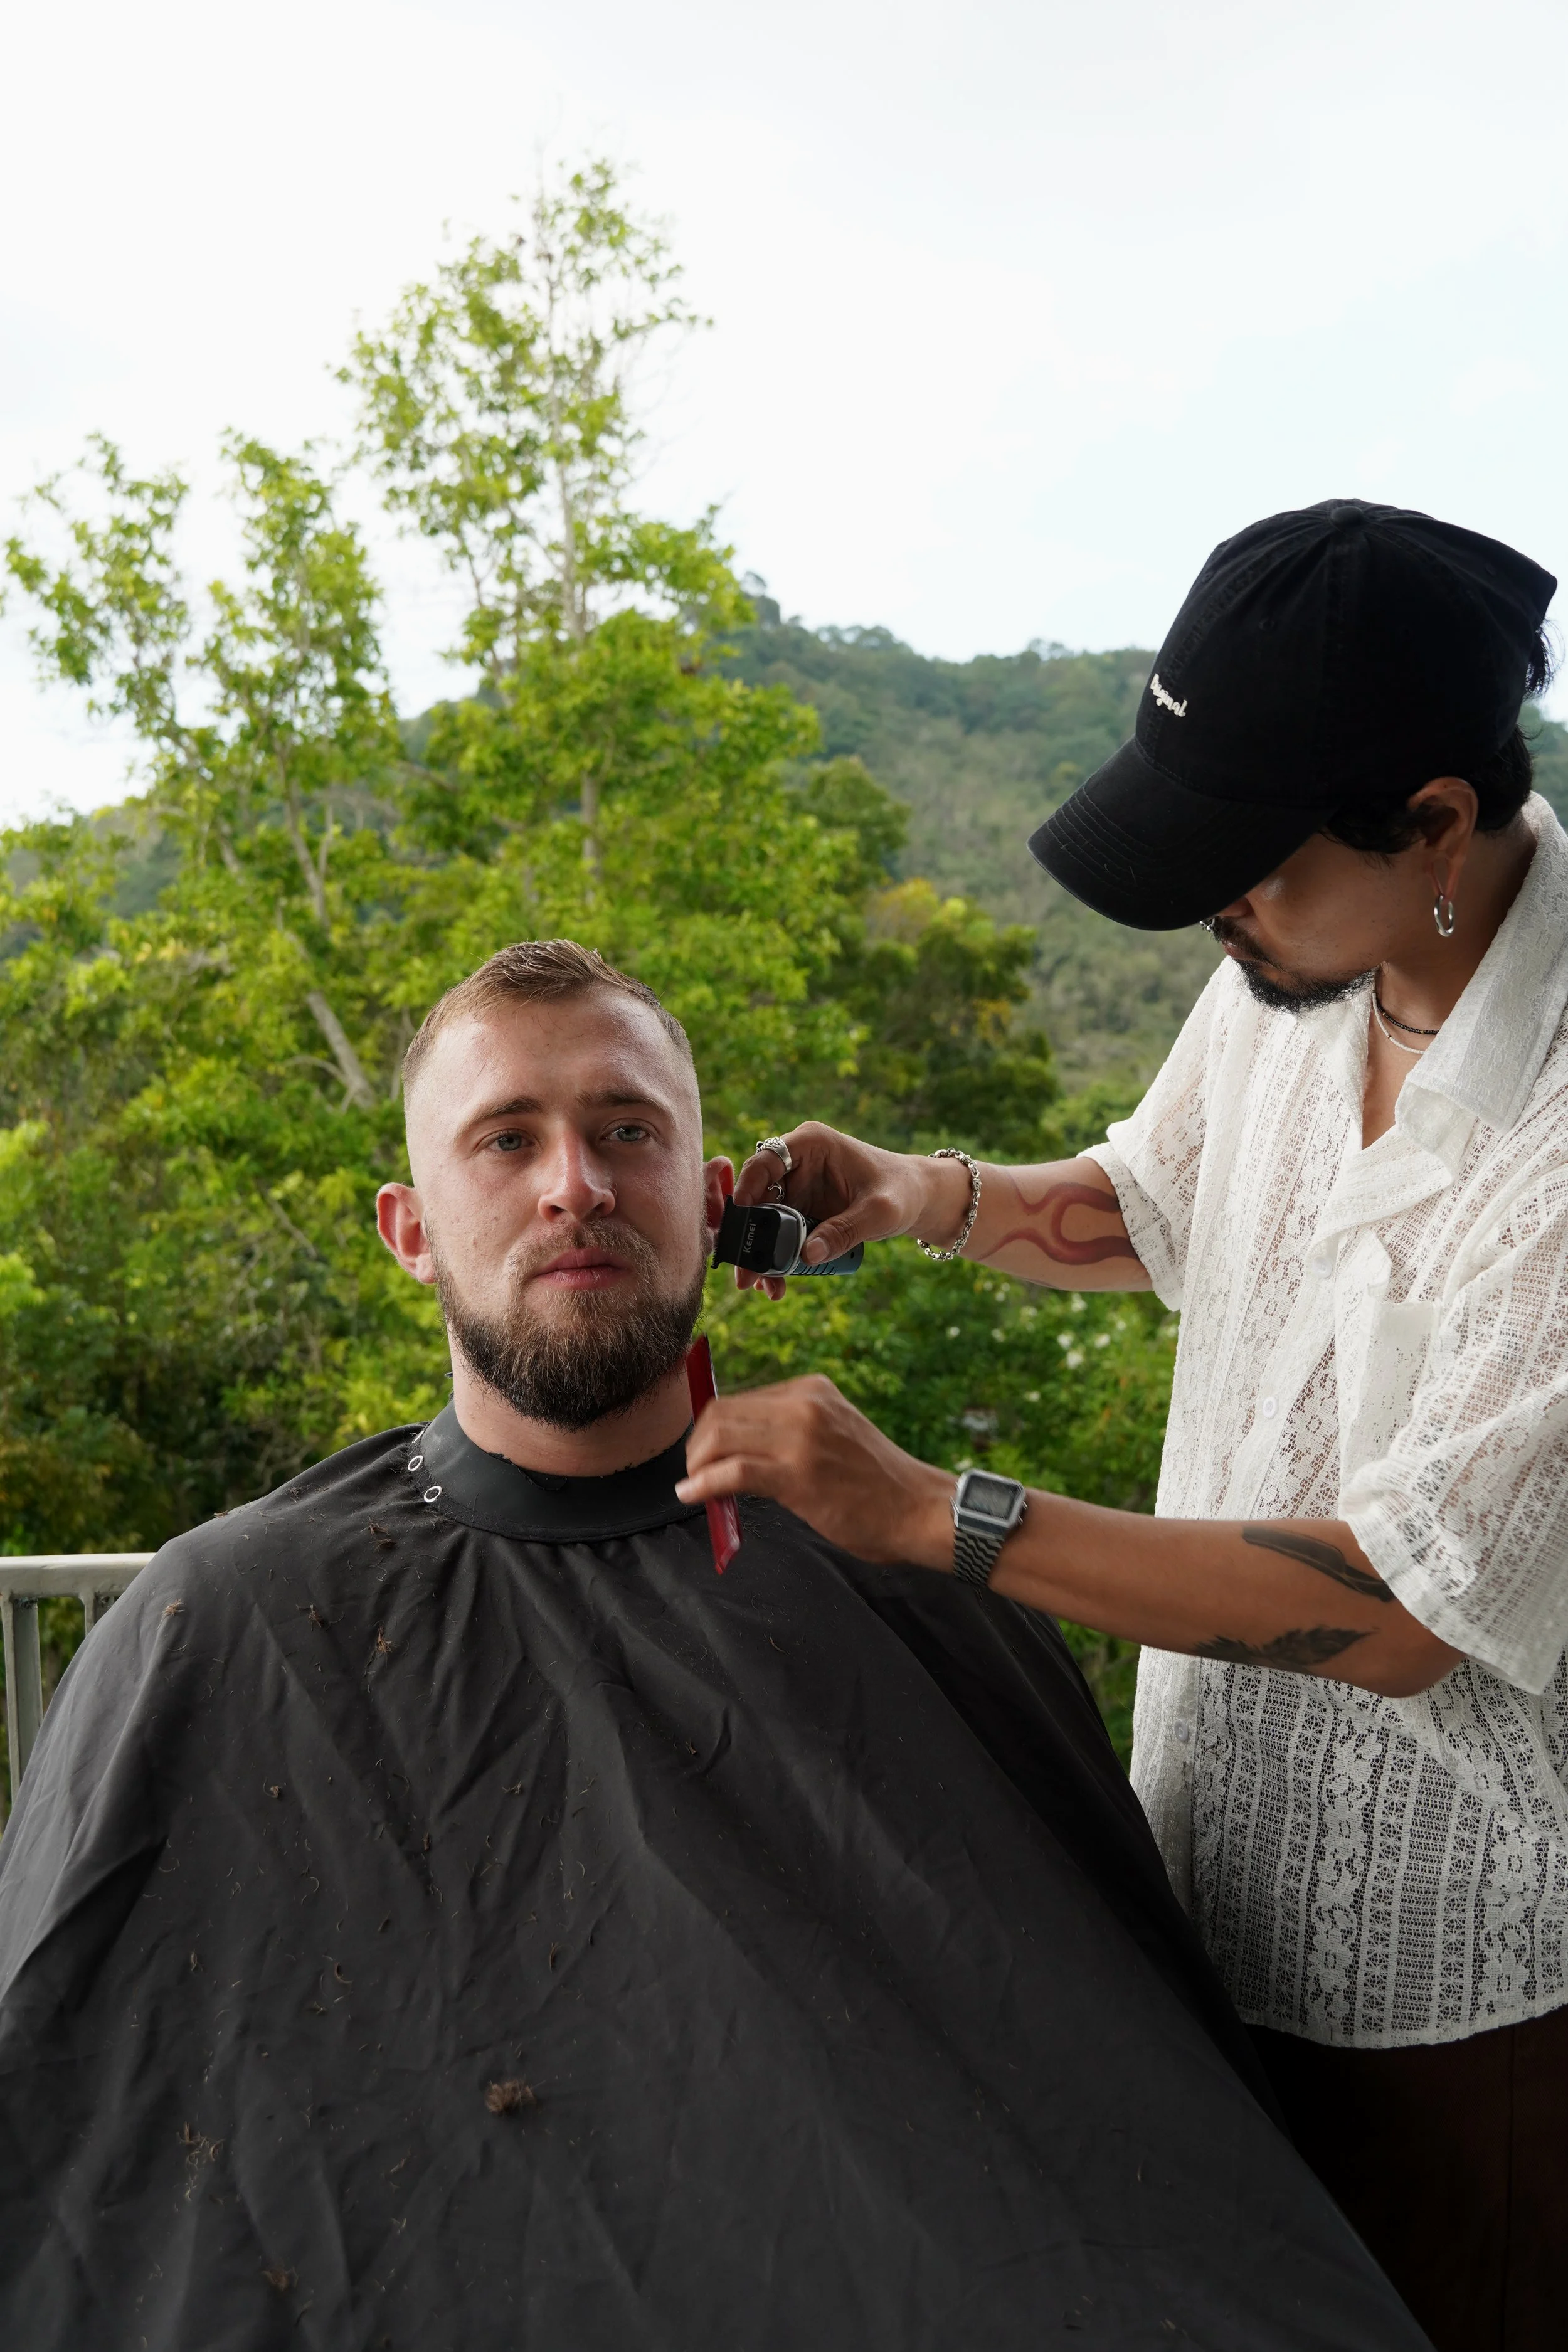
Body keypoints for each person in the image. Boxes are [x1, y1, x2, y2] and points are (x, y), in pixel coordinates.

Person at [0, 940, 1424, 2351]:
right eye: (507, 1140)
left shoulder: (911, 1580)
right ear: (410, 1229)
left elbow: (1117, 2144)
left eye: (628, 1131)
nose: (578, 1183)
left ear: (712, 1198)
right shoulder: (234, 1617)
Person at [678, 500, 1568, 2352]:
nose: (1220, 911)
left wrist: (937, 1513)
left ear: (1432, 821)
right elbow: (1154, 1209)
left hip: (1459, 2004)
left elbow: (1407, 1608)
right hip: (1201, 1904)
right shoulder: (1287, 976)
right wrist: (922, 1192)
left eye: (1248, 865)